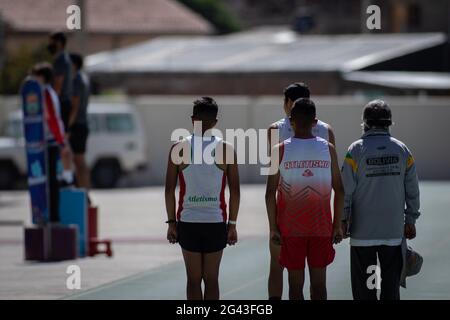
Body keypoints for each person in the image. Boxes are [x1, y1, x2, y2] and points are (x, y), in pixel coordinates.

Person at [341, 100, 420, 300]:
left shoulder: (355, 151)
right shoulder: (402, 150)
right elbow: (412, 190)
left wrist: (342, 221)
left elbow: (345, 191)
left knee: (365, 292)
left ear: (365, 124)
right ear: (389, 123)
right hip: (393, 233)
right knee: (390, 291)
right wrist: (410, 220)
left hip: (362, 235)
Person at [265, 98, 344, 300]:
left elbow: (269, 193)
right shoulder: (329, 148)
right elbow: (340, 190)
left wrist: (273, 228)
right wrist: (336, 226)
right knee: (319, 286)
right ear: (315, 122)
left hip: (290, 230)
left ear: (291, 121)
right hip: (321, 228)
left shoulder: (278, 150)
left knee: (294, 286)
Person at [165, 97, 240, 300]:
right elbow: (235, 190)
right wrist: (232, 224)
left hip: (188, 222)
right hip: (215, 222)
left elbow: (169, 189)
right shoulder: (226, 149)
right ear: (216, 122)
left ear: (192, 119)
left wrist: (172, 222)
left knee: (193, 280)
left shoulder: (178, 148)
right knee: (212, 280)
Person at [31, 63, 71, 222]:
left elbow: (52, 119)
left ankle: (53, 215)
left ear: (43, 77)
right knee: (53, 178)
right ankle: (52, 214)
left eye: (36, 75)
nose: (34, 78)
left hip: (50, 141)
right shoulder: (49, 92)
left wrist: (61, 141)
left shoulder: (45, 93)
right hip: (54, 139)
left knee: (51, 180)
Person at [47, 32, 74, 186]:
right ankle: (66, 173)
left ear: (59, 43)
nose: (49, 45)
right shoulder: (65, 59)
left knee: (62, 140)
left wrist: (52, 101)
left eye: (52, 42)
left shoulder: (60, 60)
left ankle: (66, 174)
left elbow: (58, 82)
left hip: (62, 103)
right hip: (65, 103)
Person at [69, 53, 91, 190]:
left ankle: (84, 192)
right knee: (78, 162)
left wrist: (66, 127)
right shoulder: (83, 78)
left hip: (77, 125)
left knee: (79, 161)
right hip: (80, 124)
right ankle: (83, 191)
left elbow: (75, 106)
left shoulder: (77, 80)